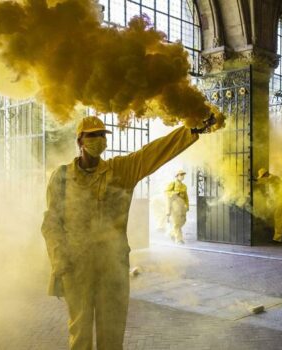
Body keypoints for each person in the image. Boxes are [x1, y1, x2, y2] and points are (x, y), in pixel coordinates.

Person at [41, 115, 214, 350]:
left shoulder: (120, 170)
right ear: (80, 140)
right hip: (76, 267)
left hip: (113, 267)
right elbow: (51, 222)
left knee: (112, 337)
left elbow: (153, 153)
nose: (100, 140)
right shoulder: (61, 177)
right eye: (94, 135)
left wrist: (191, 129)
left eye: (103, 135)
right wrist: (59, 259)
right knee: (80, 335)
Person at [257, 168, 282, 243]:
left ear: (266, 174)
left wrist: (254, 180)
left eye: (263, 176)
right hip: (278, 202)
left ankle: (277, 239)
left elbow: (267, 180)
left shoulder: (273, 178)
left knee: (279, 220)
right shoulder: (270, 180)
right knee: (279, 219)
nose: (263, 178)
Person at [165, 170, 189, 244]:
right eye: (181, 175)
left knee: (183, 220)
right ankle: (179, 239)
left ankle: (172, 233)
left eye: (183, 175)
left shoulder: (184, 186)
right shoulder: (173, 184)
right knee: (177, 222)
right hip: (175, 204)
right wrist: (175, 192)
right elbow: (166, 192)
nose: (182, 176)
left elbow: (186, 197)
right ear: (177, 176)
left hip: (182, 205)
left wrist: (187, 205)